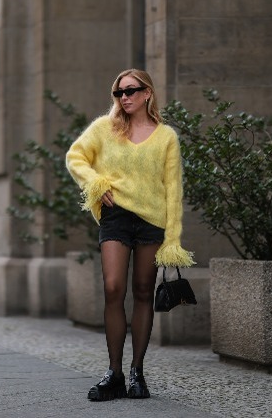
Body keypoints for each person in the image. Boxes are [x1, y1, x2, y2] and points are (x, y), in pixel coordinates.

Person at [66, 69, 195, 401]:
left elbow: (173, 191)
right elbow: (75, 156)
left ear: (147, 93)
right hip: (116, 218)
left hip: (152, 222)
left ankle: (137, 371)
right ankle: (114, 373)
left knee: (142, 291)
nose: (124, 97)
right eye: (119, 92)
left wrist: (173, 239)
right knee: (113, 288)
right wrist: (96, 183)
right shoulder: (104, 128)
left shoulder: (166, 137)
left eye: (131, 90)